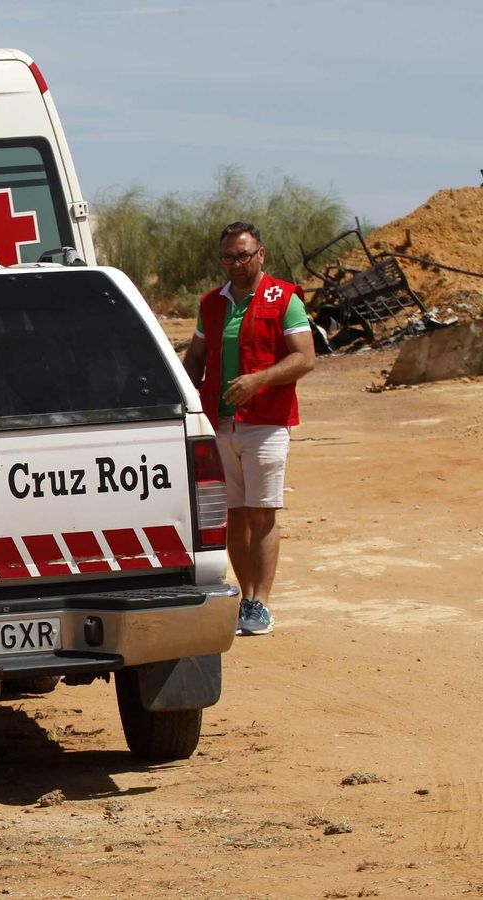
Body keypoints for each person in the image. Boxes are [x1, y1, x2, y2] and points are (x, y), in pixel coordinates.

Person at [182, 222, 315, 636]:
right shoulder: (212, 304)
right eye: (228, 257)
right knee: (233, 515)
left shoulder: (285, 299)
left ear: (262, 254)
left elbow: (305, 358)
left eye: (243, 255)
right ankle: (245, 599)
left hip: (266, 422)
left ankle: (262, 602)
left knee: (262, 511)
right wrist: (182, 395)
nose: (235, 264)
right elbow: (197, 358)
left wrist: (258, 380)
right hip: (219, 423)